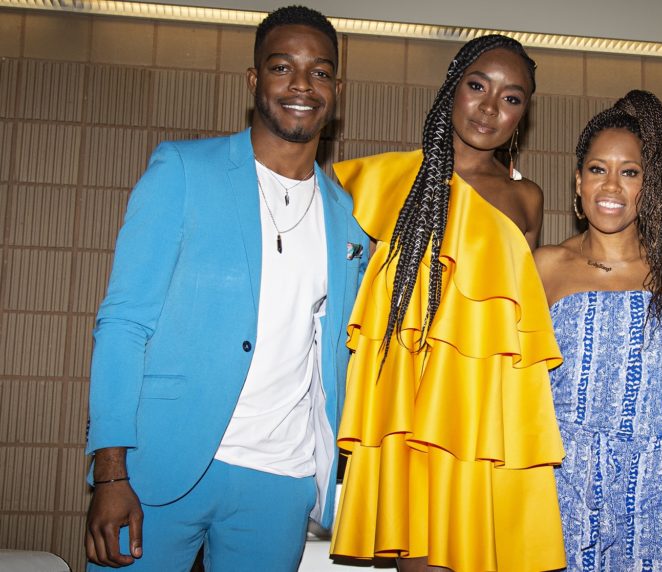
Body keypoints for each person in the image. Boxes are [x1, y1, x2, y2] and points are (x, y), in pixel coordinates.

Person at [84, 6, 368, 570]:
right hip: (162, 465)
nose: (301, 85)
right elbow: (124, 323)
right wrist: (111, 471)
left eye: (320, 72)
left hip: (281, 479)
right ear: (254, 80)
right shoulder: (183, 170)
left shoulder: (349, 216)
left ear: (337, 88)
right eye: (283, 67)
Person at [328, 35, 565, 571]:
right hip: (409, 408)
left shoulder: (527, 199)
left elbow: (518, 321)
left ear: (523, 115)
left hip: (482, 409)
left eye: (511, 98)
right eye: (477, 86)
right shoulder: (374, 181)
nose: (489, 107)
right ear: (451, 89)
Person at [533, 89, 662, 571]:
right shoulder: (545, 267)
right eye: (597, 169)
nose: (611, 186)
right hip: (564, 481)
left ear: (648, 186)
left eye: (629, 172)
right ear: (578, 182)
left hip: (655, 486)